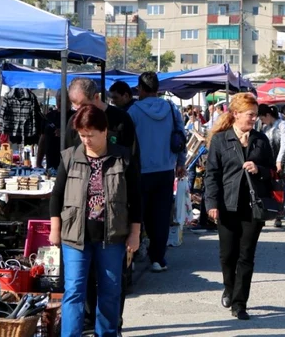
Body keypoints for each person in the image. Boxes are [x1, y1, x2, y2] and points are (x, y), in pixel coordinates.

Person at [49, 104, 141, 337]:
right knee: (74, 291)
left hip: (112, 235)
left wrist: (135, 233)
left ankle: (107, 333)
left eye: (91, 135)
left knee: (110, 290)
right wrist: (55, 228)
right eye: (82, 135)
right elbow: (57, 195)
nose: (86, 140)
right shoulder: (70, 157)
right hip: (74, 236)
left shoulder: (123, 157)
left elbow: (136, 199)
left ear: (104, 131)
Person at [205, 93, 275, 321]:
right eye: (250, 115)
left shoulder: (261, 140)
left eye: (255, 115)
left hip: (253, 207)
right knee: (227, 255)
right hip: (227, 205)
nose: (254, 119)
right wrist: (212, 203)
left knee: (246, 256)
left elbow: (273, 172)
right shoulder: (220, 140)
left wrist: (259, 169)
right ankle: (229, 287)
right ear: (236, 114)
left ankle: (239, 303)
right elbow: (212, 174)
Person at [127, 72, 186, 273]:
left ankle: (131, 257)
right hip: (166, 169)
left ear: (140, 89)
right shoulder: (171, 108)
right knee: (160, 216)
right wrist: (180, 162)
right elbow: (181, 136)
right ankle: (158, 259)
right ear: (158, 89)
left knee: (137, 214)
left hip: (140, 172)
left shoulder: (133, 111)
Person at [259, 104, 285, 228]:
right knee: (267, 188)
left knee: (279, 188)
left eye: (262, 118)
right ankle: (267, 212)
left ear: (268, 115)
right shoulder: (265, 127)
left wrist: (279, 161)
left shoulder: (282, 125)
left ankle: (279, 214)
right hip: (268, 161)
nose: (262, 121)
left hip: (281, 161)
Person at [36, 95, 74, 170]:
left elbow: (79, 138)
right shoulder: (48, 116)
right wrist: (38, 162)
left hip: (70, 163)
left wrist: (65, 134)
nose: (62, 104)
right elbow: (42, 140)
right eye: (59, 101)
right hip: (51, 162)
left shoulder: (75, 117)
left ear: (70, 102)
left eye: (65, 101)